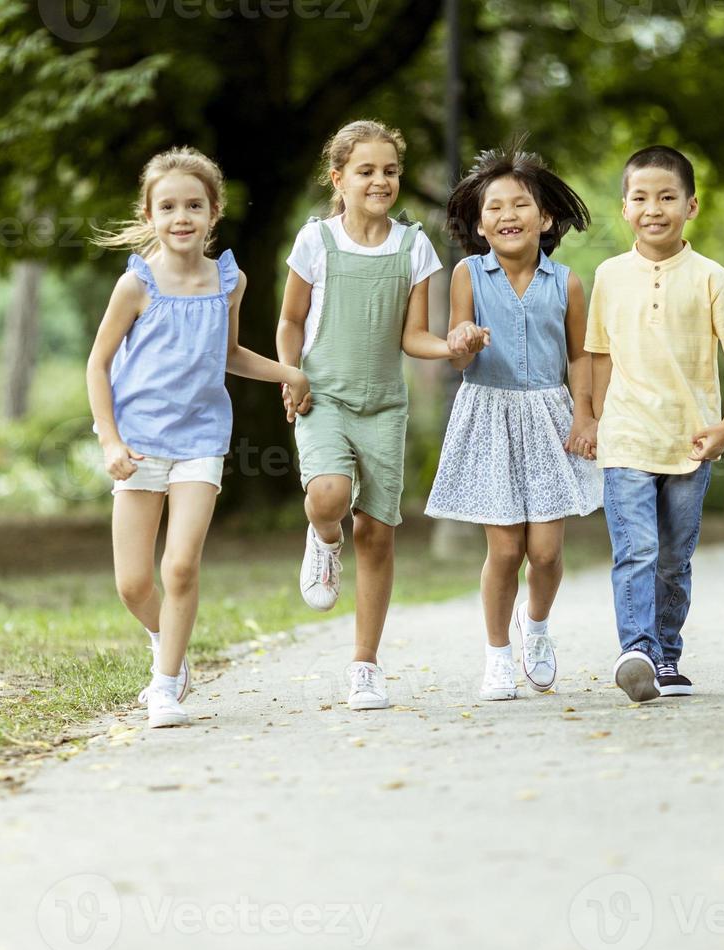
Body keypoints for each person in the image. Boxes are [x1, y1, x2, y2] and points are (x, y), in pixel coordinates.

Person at [87, 147, 309, 728]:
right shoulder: (135, 285)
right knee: (134, 584)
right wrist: (109, 440)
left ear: (214, 212)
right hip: (138, 443)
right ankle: (170, 647)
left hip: (202, 439)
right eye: (168, 206)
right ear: (150, 214)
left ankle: (165, 684)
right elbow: (97, 365)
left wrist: (289, 371)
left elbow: (229, 353)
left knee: (179, 567)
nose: (181, 216)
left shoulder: (228, 281)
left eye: (193, 205)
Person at [275, 119, 481, 710]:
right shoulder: (316, 241)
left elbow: (414, 336)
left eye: (390, 170)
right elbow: (291, 320)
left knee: (379, 534)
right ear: (339, 179)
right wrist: (291, 371)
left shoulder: (413, 246)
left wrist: (452, 347)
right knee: (330, 496)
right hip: (323, 396)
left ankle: (364, 665)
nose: (380, 180)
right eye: (365, 171)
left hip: (384, 405)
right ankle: (321, 539)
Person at [425, 145, 602, 702]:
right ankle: (497, 654)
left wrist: (585, 414)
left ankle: (538, 626)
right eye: (494, 207)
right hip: (490, 416)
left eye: (520, 204)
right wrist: (463, 341)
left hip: (551, 419)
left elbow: (580, 356)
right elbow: (457, 346)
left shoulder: (567, 283)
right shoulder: (467, 275)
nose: (508, 215)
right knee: (504, 552)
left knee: (546, 553)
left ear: (544, 218)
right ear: (480, 223)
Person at [585, 145, 724, 702]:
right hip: (626, 435)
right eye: (640, 198)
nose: (653, 208)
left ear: (692, 206)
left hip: (692, 441)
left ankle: (666, 657)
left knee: (671, 557)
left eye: (667, 197)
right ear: (624, 207)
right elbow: (599, 354)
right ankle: (636, 649)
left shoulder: (712, 277)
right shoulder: (610, 275)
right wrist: (589, 417)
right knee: (634, 549)